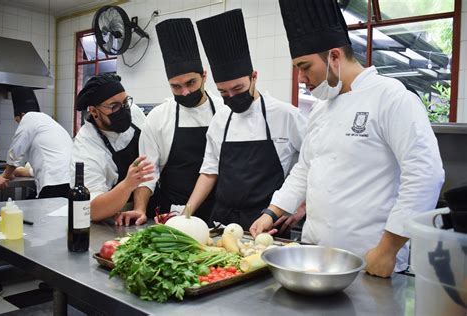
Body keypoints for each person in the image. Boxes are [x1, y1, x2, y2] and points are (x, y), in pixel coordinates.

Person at [250, 0, 444, 277]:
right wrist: (271, 211)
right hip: (313, 256)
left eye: (305, 67)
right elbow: (305, 169)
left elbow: (426, 174)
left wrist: (387, 250)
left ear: (335, 56)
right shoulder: (320, 107)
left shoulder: (391, 97)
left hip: (370, 260)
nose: (302, 77)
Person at [185, 9, 307, 235]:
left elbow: (311, 163)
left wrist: (301, 205)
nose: (231, 96)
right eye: (223, 92)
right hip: (221, 223)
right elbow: (209, 171)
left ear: (254, 77)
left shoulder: (285, 115)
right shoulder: (220, 118)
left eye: (238, 88)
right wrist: (187, 212)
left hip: (267, 225)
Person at [134, 18, 224, 223]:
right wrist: (140, 209)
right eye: (176, 86)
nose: (184, 92)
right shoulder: (158, 117)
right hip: (173, 215)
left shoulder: (224, 110)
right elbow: (147, 173)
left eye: (191, 83)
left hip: (218, 215)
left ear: (204, 76)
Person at [72, 74, 153, 225]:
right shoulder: (86, 147)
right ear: (94, 112)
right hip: (118, 219)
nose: (123, 110)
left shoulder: (134, 112)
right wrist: (127, 185)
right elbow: (92, 210)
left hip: (150, 205)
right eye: (113, 106)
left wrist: (140, 205)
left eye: (125, 102)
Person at [2, 87, 72, 198]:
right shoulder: (47, 121)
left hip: (55, 184)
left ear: (22, 114)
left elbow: (15, 150)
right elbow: (51, 163)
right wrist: (21, 171)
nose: (19, 125)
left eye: (18, 121)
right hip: (68, 182)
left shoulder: (29, 117)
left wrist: (5, 175)